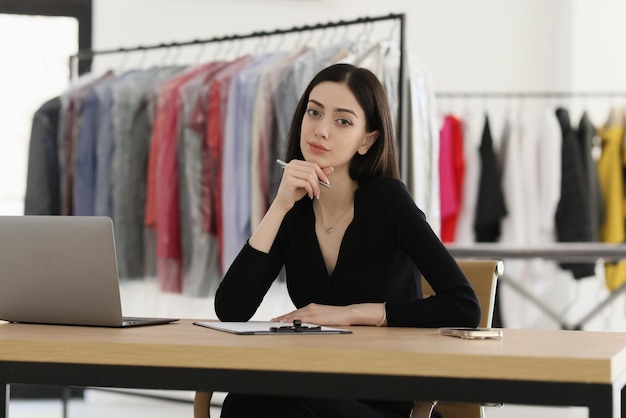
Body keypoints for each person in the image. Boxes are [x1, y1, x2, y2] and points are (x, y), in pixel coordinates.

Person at [214, 63, 481, 418]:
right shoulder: (293, 208)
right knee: (248, 399)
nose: (321, 130)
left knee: (267, 397)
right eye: (314, 112)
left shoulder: (388, 201)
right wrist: (279, 206)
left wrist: (353, 314)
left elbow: (465, 306)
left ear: (367, 139)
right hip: (316, 385)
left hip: (388, 397)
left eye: (342, 121)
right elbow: (231, 309)